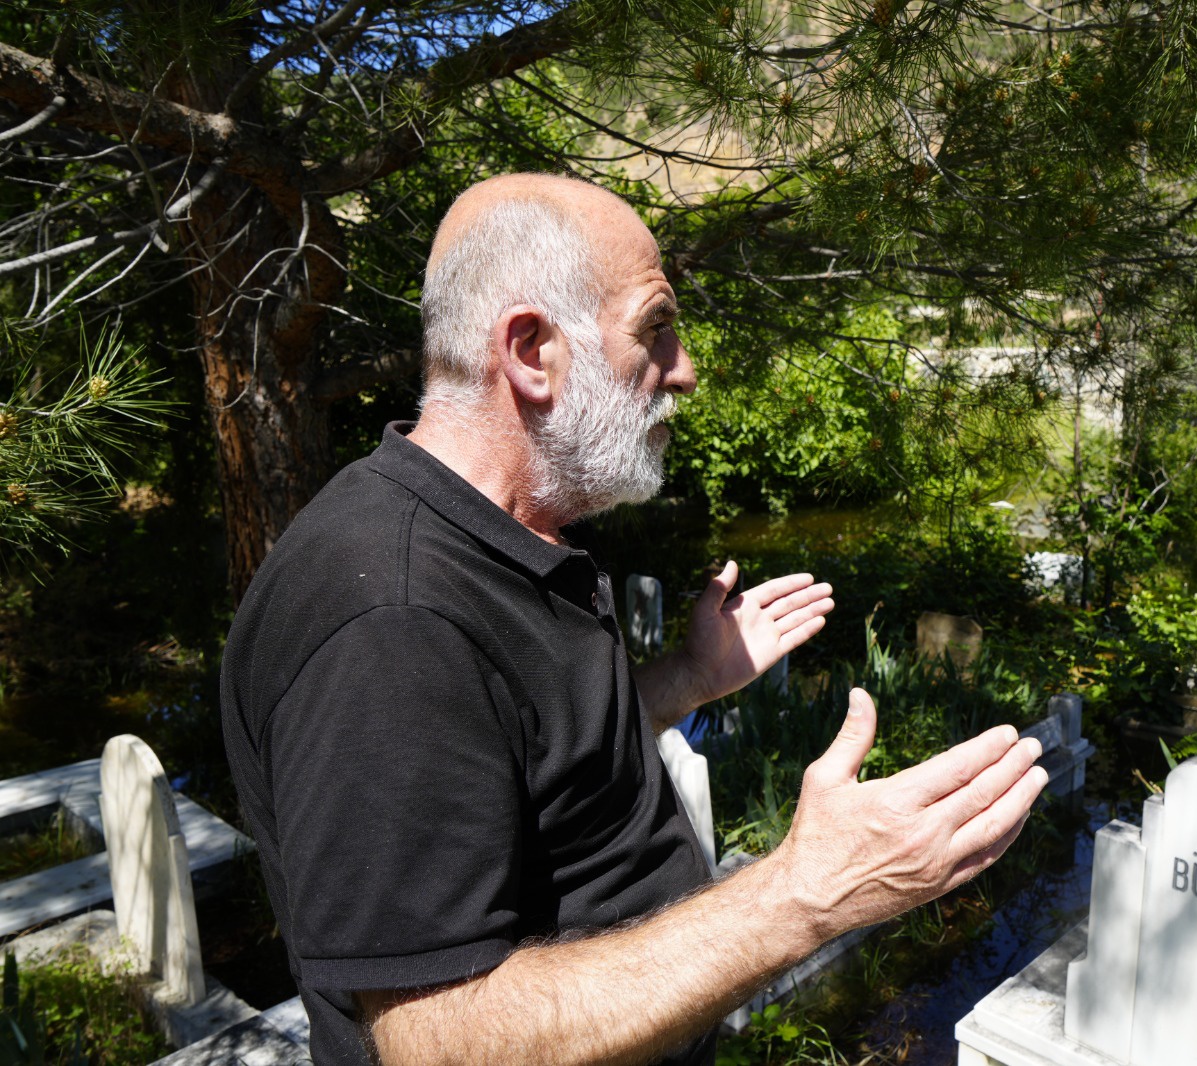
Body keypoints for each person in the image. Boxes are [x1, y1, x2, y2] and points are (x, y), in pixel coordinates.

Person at [220, 173, 1047, 1066]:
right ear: (533, 351)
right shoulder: (392, 621)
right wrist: (806, 894)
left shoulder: (510, 534)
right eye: (655, 328)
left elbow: (526, 771)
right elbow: (436, 1039)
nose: (684, 370)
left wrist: (685, 680)